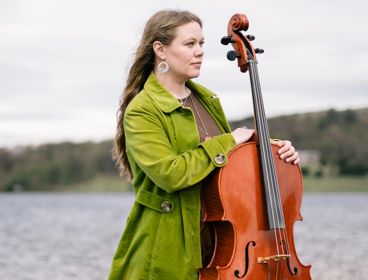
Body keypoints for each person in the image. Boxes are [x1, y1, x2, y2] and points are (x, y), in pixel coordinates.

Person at [108, 10, 300, 280]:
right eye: (190, 44)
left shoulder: (206, 99)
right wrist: (228, 140)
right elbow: (170, 174)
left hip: (224, 245)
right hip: (169, 248)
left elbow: (229, 162)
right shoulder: (142, 110)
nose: (199, 52)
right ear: (160, 50)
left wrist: (274, 150)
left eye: (201, 44)